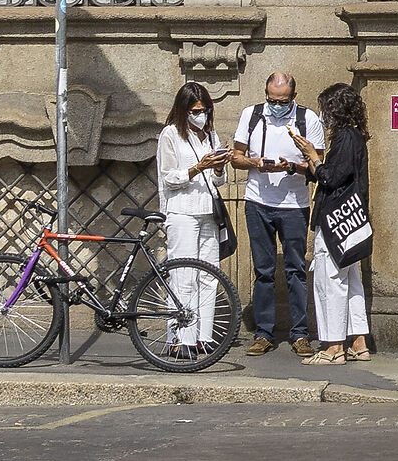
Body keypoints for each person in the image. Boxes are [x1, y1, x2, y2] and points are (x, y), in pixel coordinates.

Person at [230, 71, 323, 356]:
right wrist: (254, 162)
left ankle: (300, 334)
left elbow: (319, 167)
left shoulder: (308, 120)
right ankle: (263, 333)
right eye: (272, 99)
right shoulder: (252, 115)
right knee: (263, 270)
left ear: (293, 97)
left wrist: (292, 167)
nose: (276, 105)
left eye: (282, 101)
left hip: (294, 205)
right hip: (258, 202)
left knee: (296, 269)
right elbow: (236, 157)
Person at [289, 82, 372, 364]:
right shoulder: (355, 136)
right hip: (351, 220)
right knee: (351, 281)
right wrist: (309, 164)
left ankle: (334, 347)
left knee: (329, 280)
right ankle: (358, 342)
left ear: (335, 110)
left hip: (335, 218)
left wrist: (313, 156)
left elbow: (332, 177)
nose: (322, 115)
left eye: (325, 109)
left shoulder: (345, 138)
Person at [155, 83, 230, 362]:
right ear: (184, 110)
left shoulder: (210, 135)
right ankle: (180, 337)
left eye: (205, 109)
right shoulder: (170, 135)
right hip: (182, 211)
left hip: (207, 211)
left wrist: (220, 165)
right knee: (183, 275)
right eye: (196, 110)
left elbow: (218, 181)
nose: (201, 115)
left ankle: (204, 336)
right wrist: (199, 167)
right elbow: (169, 177)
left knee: (208, 275)